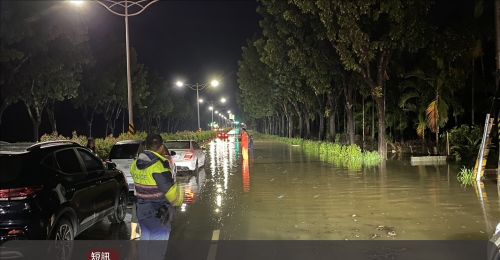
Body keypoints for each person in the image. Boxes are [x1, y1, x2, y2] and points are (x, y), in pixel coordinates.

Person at [130, 134, 183, 241]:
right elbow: (172, 195)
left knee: (146, 243)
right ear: (162, 146)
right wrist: (180, 192)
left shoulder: (135, 164)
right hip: (158, 214)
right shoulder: (159, 166)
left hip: (142, 212)